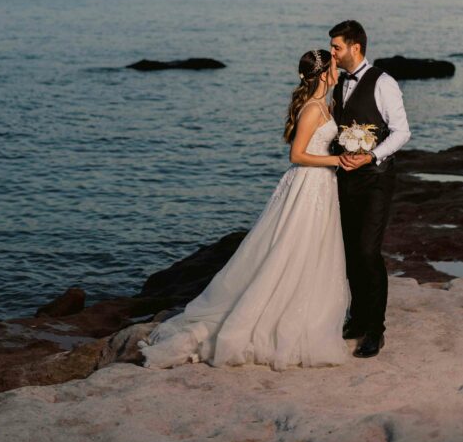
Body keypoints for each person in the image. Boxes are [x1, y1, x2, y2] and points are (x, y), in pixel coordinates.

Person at [138, 49, 352, 371]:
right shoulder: (312, 109)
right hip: (309, 185)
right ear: (324, 74)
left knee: (313, 250)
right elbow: (296, 155)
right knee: (292, 249)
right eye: (334, 66)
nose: (338, 70)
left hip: (322, 185)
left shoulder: (326, 105)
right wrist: (336, 160)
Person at [328, 20, 411, 358]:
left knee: (367, 252)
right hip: (343, 179)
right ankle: (358, 318)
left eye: (336, 47)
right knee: (349, 253)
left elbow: (402, 132)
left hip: (376, 179)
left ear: (355, 48)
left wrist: (371, 156)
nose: (332, 53)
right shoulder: (336, 83)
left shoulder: (383, 83)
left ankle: (375, 330)